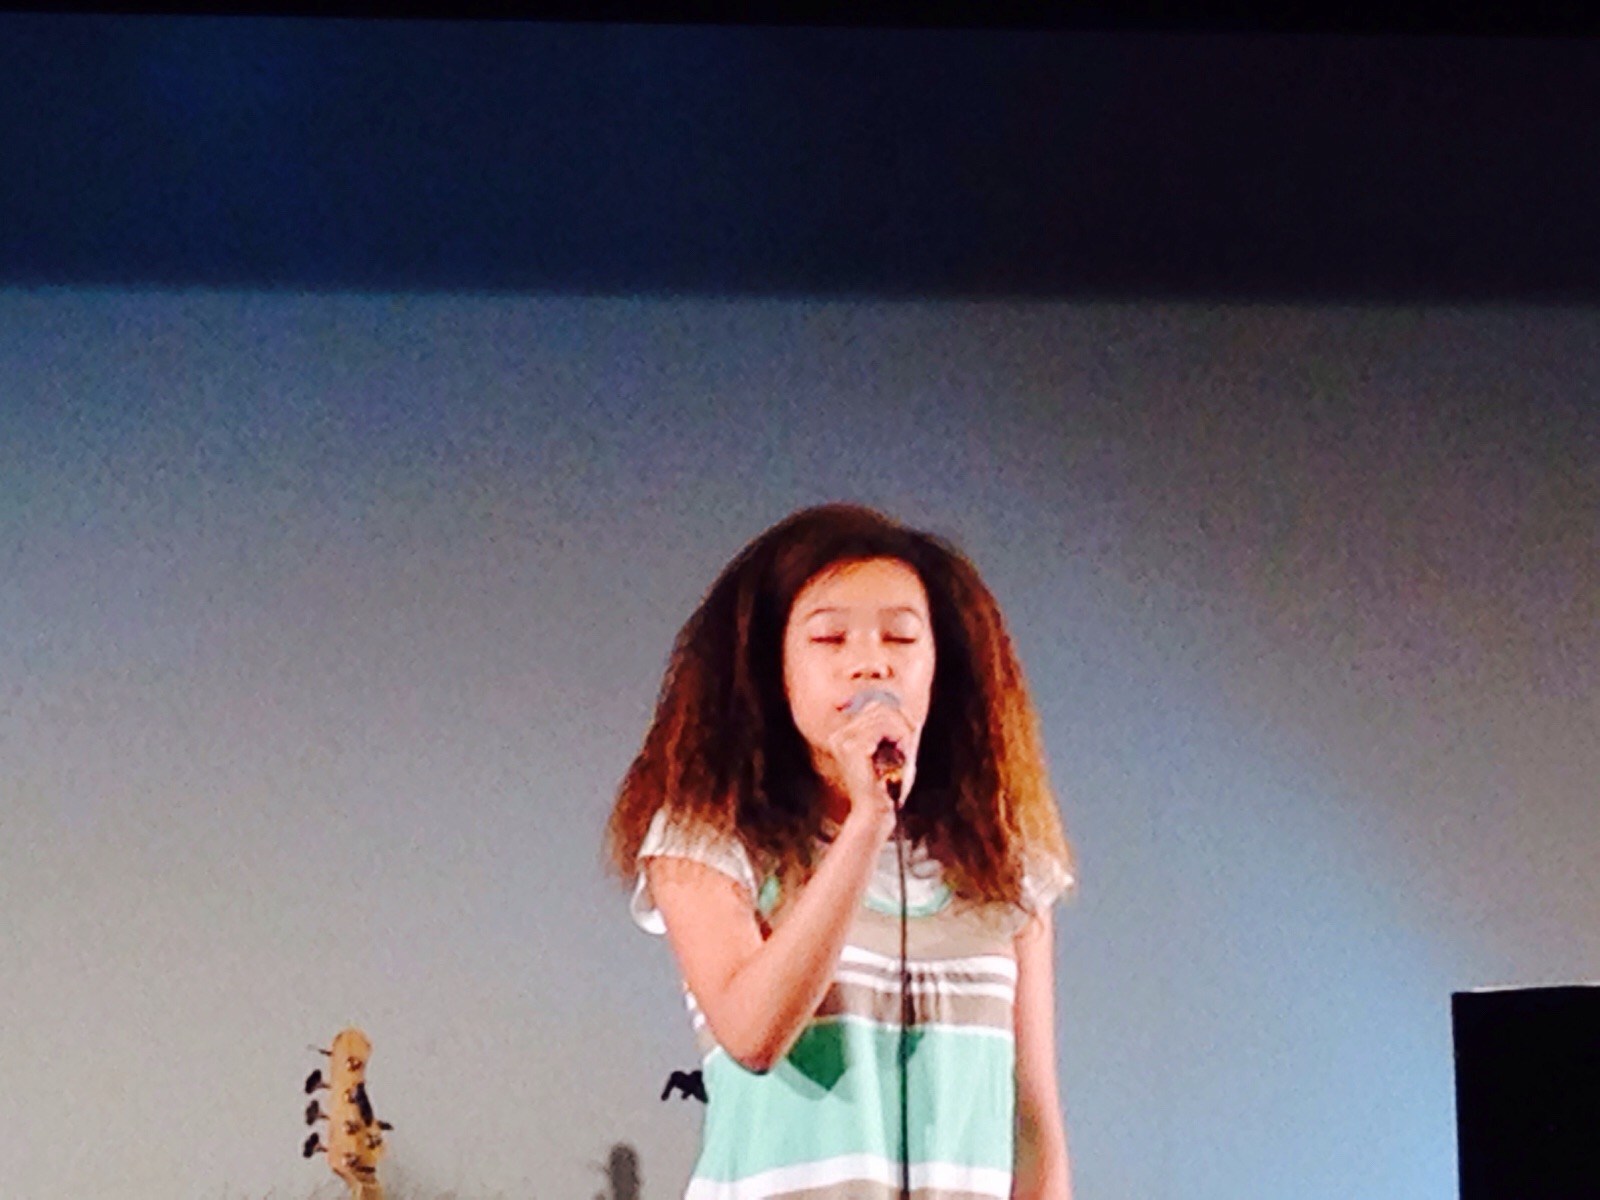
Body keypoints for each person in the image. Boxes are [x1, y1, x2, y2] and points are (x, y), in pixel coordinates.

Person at [606, 504, 1076, 1200]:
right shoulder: (707, 840)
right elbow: (753, 1033)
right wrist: (866, 824)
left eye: (901, 638)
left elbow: (1032, 1124)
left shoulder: (1004, 868)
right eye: (830, 638)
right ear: (773, 668)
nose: (870, 663)